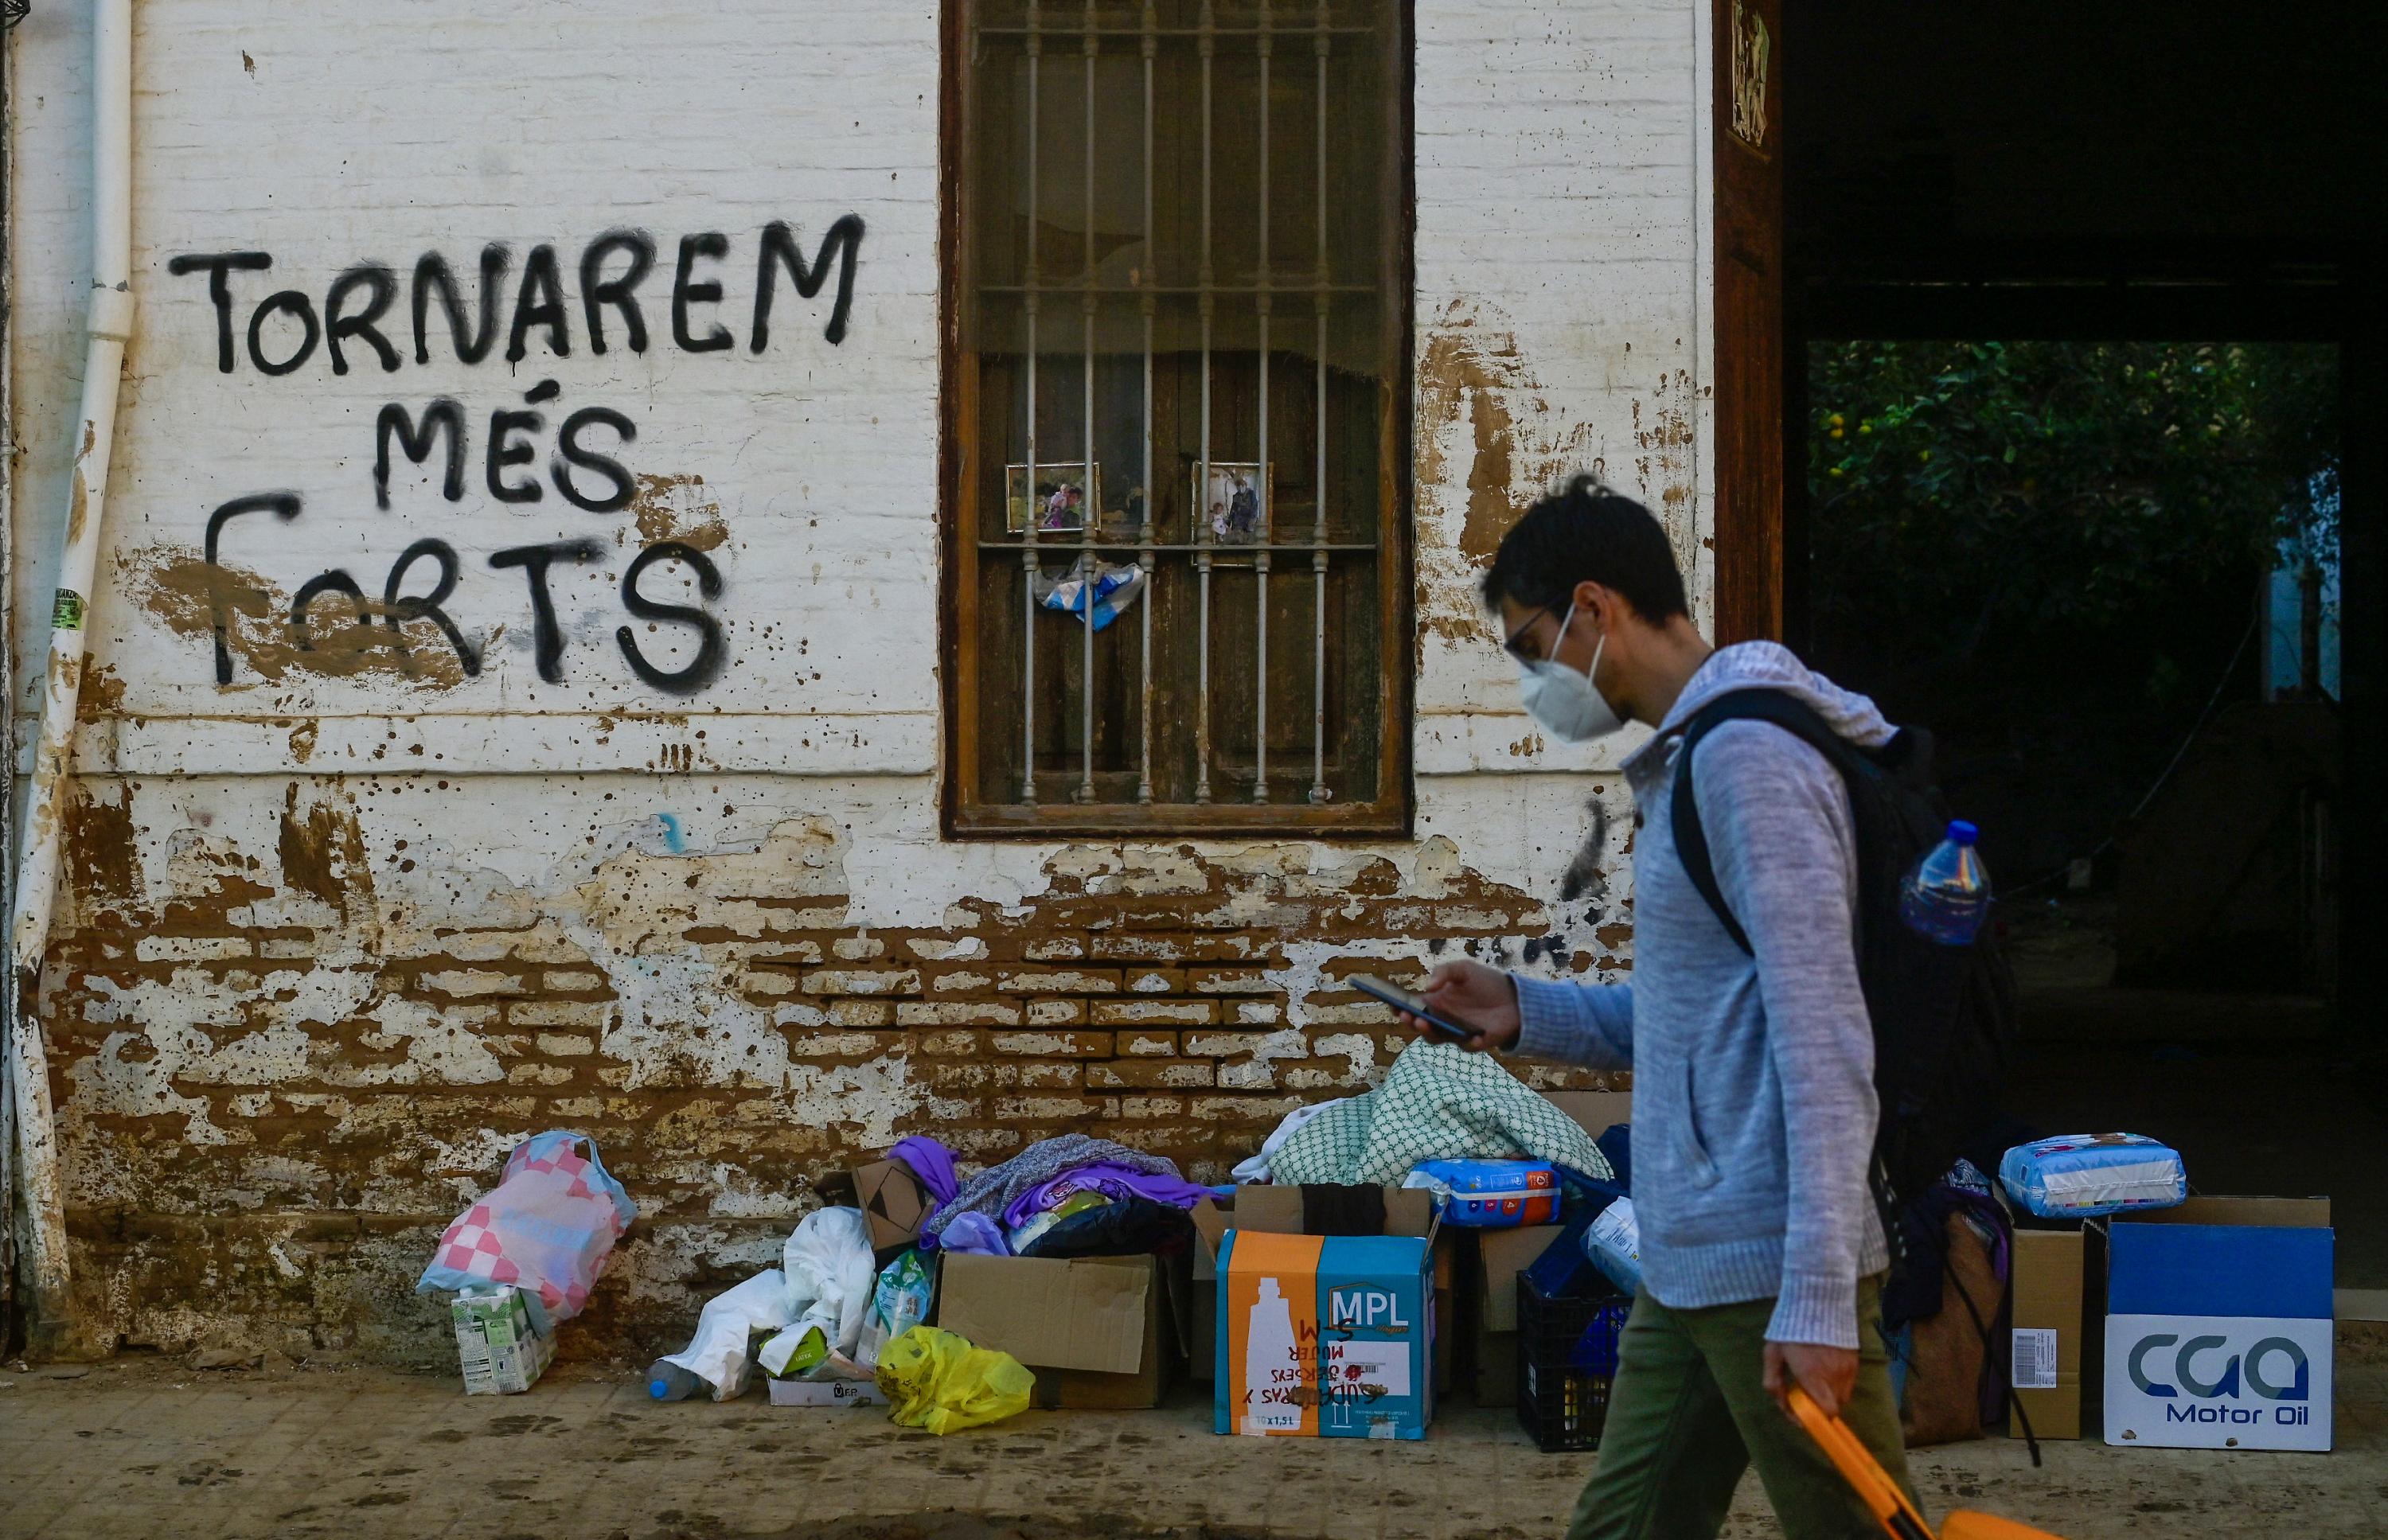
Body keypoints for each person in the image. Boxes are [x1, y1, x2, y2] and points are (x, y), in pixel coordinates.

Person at [1401, 477, 1918, 1540]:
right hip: (1687, 1259)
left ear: (1596, 608)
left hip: (1770, 1265)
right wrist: (1521, 1009)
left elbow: (1826, 1041)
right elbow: (1698, 1018)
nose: (1539, 679)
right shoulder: (1696, 761)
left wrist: (1818, 1299)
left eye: (1534, 644)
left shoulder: (1748, 761)